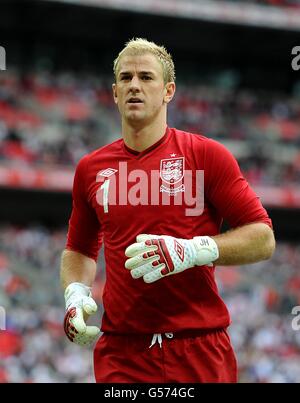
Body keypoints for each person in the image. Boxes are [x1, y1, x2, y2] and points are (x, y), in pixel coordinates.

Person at [60, 38, 276, 383]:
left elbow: (263, 238)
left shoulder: (207, 156)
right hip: (122, 352)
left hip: (199, 346)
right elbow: (79, 249)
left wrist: (194, 250)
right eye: (126, 78)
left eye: (146, 77)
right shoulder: (90, 168)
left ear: (168, 91)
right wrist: (75, 293)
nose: (134, 85)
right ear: (115, 93)